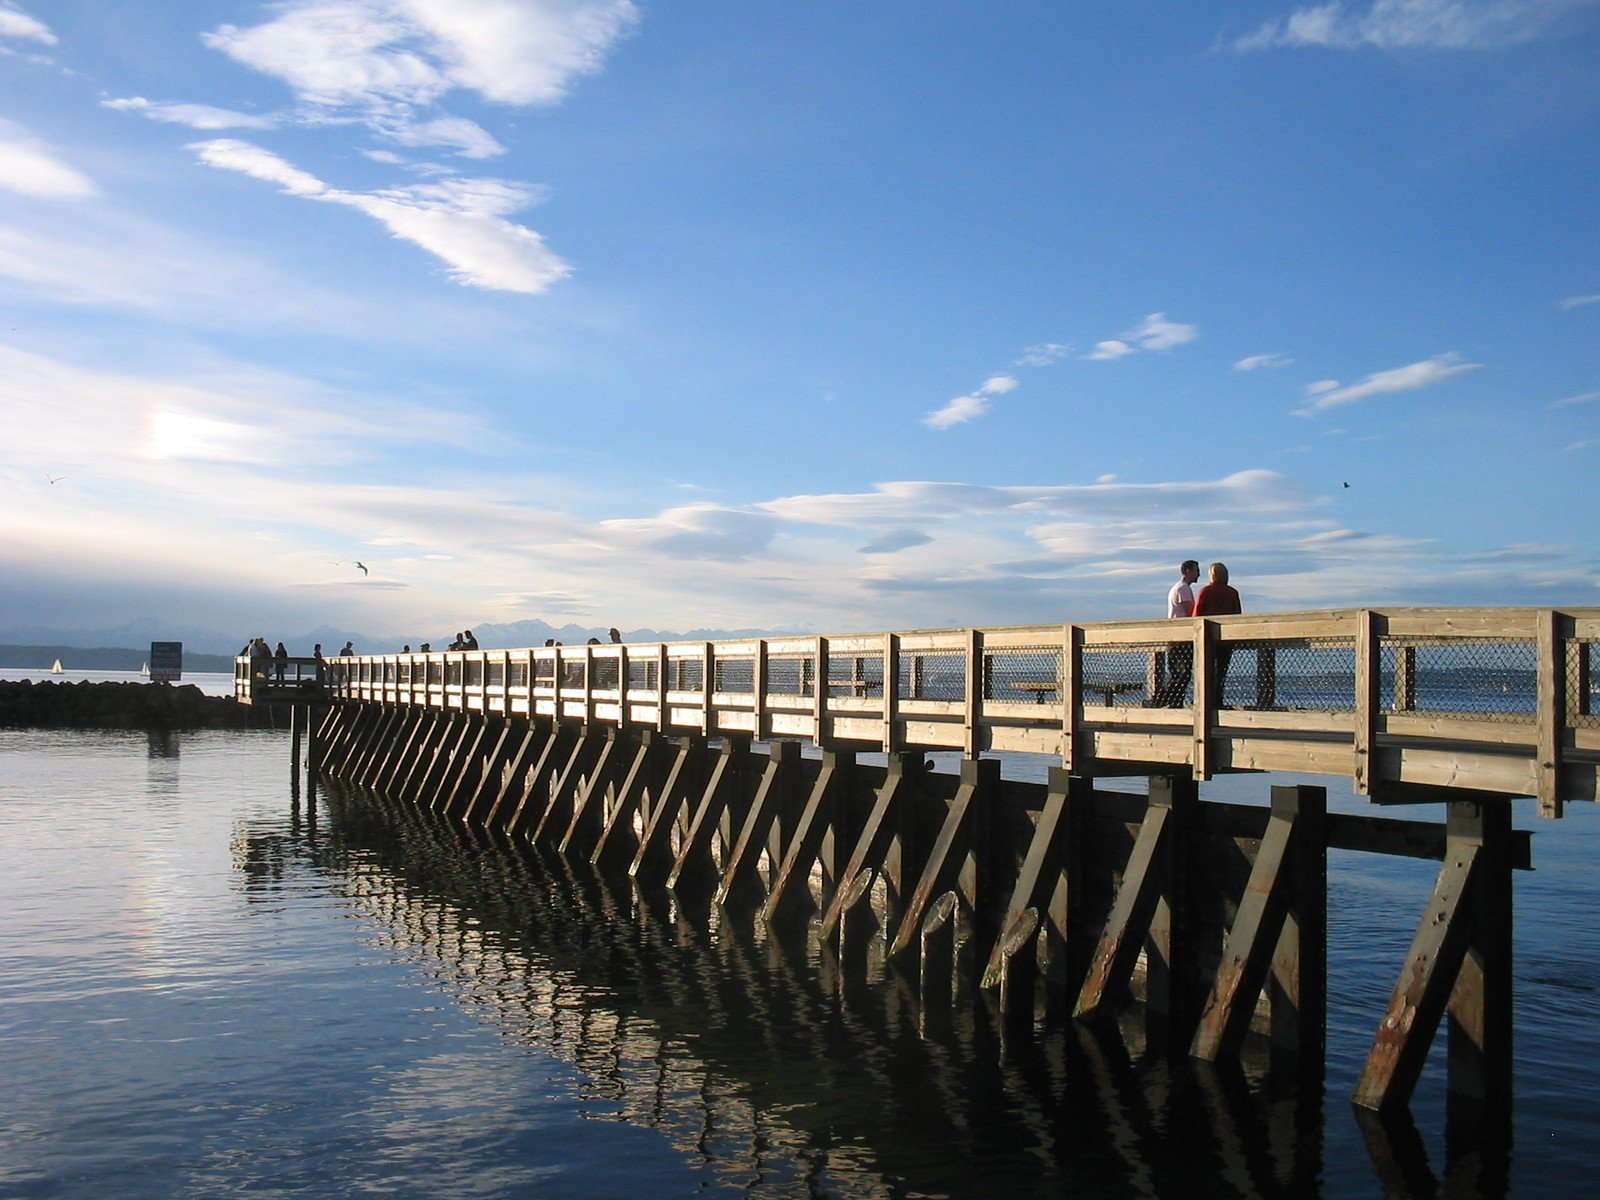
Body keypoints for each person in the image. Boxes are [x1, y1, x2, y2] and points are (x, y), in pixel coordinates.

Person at [1193, 562, 1242, 704]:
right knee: (1221, 671)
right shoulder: (1232, 592)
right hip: (1226, 639)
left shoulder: (1205, 592)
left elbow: (1196, 615)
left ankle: (1205, 701)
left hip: (1207, 638)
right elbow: (1237, 614)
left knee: (1206, 671)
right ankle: (1218, 700)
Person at [1156, 560, 1200, 706]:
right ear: (1188, 571)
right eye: (1196, 570)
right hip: (1181, 637)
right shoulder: (1183, 589)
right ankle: (1161, 700)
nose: (1198, 573)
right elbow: (1191, 613)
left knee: (1178, 673)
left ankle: (1174, 703)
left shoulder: (1177, 588)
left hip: (1174, 636)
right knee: (1182, 673)